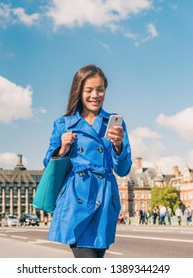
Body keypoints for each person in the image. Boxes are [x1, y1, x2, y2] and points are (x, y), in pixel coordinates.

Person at [44, 64, 132, 258]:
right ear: (79, 91)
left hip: (104, 198)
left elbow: (124, 169)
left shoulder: (114, 123)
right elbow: (47, 165)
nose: (95, 95)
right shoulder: (63, 124)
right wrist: (62, 149)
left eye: (100, 90)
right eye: (89, 90)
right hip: (76, 199)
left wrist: (118, 146)